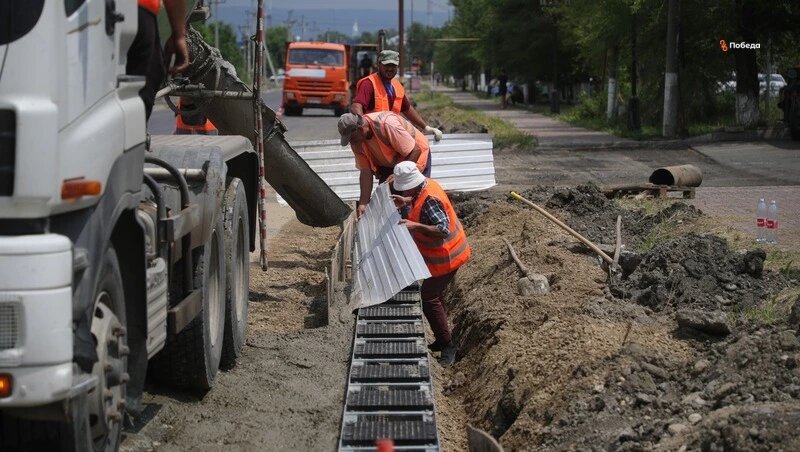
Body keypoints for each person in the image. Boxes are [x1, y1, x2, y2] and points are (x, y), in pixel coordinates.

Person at [390, 161, 471, 366]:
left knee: (428, 296)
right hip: (448, 252)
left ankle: (447, 346)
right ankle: (442, 336)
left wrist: (414, 225)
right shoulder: (426, 185)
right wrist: (406, 201)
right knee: (434, 295)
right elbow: (419, 200)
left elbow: (442, 228)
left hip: (448, 255)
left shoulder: (430, 200)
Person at [338, 112, 430, 219]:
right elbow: (365, 171)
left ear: (361, 129)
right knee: (386, 199)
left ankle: (415, 231)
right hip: (391, 164)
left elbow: (415, 150)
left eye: (352, 139)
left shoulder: (386, 124)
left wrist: (396, 176)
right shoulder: (357, 142)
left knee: (411, 203)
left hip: (415, 156)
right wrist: (363, 203)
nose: (351, 143)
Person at [350, 50, 443, 142]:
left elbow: (407, 109)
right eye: (387, 65)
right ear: (379, 65)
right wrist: (363, 124)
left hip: (391, 137)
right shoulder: (368, 84)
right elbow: (356, 106)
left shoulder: (396, 85)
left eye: (393, 65)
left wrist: (426, 127)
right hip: (373, 140)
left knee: (420, 147)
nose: (390, 68)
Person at [126, 0, 190, 120]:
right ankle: (134, 130)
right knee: (147, 78)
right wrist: (179, 36)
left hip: (90, 12)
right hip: (138, 11)